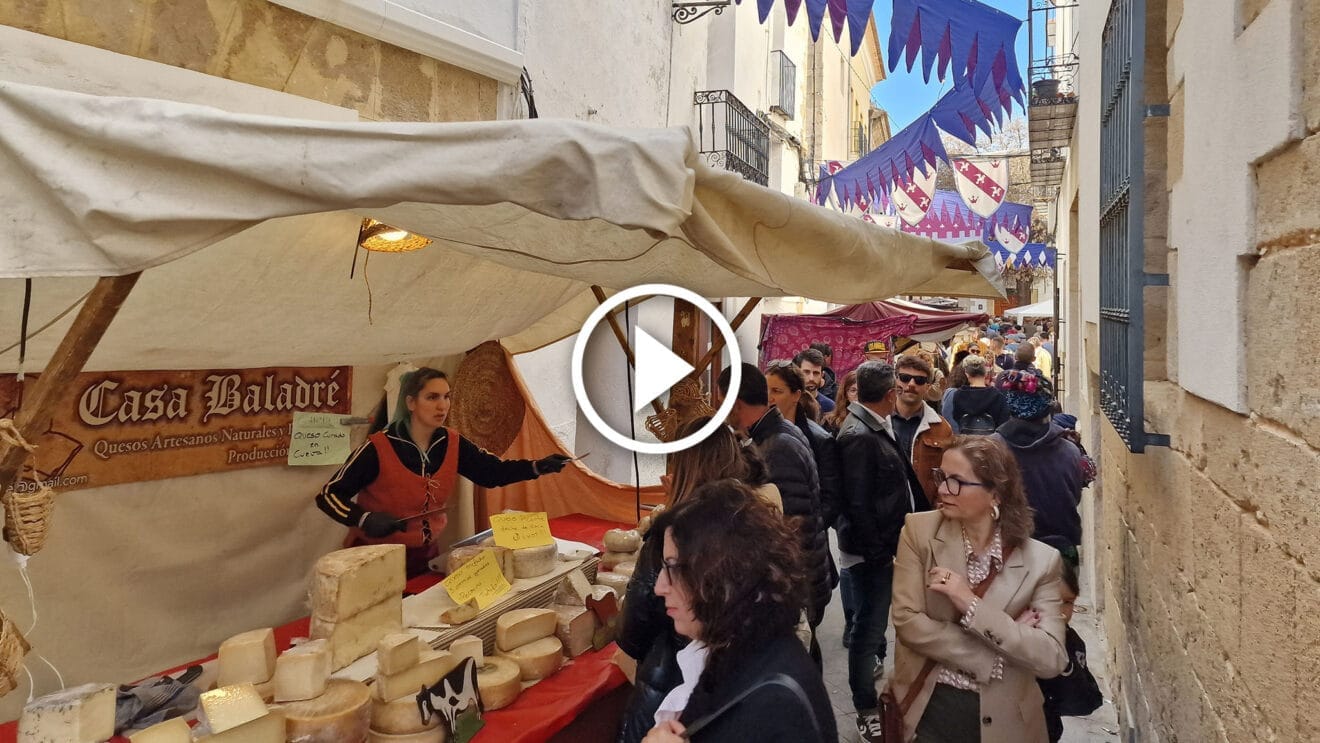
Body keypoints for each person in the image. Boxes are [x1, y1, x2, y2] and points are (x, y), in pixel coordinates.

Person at [889, 436, 1069, 743]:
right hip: (929, 708)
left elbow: (1051, 658)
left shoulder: (1041, 562)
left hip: (1008, 719)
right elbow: (908, 622)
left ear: (995, 494)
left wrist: (970, 603)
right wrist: (996, 650)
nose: (942, 489)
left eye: (957, 481)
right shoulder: (919, 532)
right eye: (941, 477)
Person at [315, 367, 570, 577]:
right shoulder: (378, 447)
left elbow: (492, 473)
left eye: (446, 396)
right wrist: (364, 518)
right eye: (432, 397)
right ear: (411, 402)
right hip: (372, 560)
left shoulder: (452, 443)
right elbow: (328, 495)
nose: (442, 406)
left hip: (425, 556)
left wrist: (537, 467)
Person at [640, 480, 837, 742]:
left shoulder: (774, 704)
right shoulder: (741, 652)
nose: (660, 587)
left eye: (673, 567)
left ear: (721, 575)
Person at [617, 418, 773, 743]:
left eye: (672, 570)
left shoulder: (678, 531)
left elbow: (636, 624)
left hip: (674, 679)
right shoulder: (756, 517)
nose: (663, 585)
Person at [835, 361, 929, 742]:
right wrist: (877, 553)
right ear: (889, 394)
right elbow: (857, 502)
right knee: (866, 632)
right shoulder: (859, 434)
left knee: (871, 628)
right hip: (870, 553)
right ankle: (866, 707)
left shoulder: (871, 425)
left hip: (883, 546)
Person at [717, 363, 833, 667]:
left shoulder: (775, 447)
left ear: (735, 404)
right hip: (803, 581)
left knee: (798, 667)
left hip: (797, 586)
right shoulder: (773, 434)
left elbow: (788, 528)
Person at [992, 369, 1083, 564]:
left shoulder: (991, 449)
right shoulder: (1070, 451)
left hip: (1009, 549)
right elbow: (1074, 496)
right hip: (1061, 551)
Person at [1036, 556, 1103, 742]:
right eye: (1052, 601)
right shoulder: (1009, 633)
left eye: (1068, 602)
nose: (1062, 612)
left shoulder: (1071, 643)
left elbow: (1084, 702)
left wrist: (1064, 664)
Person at [890, 354, 954, 507]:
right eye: (905, 378)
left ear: (927, 386)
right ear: (895, 380)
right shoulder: (879, 420)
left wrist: (938, 505)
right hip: (884, 517)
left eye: (919, 380)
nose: (911, 384)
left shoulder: (941, 427)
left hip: (923, 514)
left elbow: (949, 475)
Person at [945, 355, 1010, 435]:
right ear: (985, 373)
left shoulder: (958, 395)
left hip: (966, 442)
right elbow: (1003, 423)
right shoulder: (997, 396)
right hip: (990, 443)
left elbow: (956, 418)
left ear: (967, 374)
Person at [792, 348, 835, 416]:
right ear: (798, 372)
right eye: (806, 372)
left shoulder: (830, 407)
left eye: (816, 373)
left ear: (822, 375)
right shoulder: (787, 402)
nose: (811, 378)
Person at [823, 369, 858, 434]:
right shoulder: (830, 422)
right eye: (853, 390)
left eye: (861, 391)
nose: (858, 395)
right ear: (845, 394)